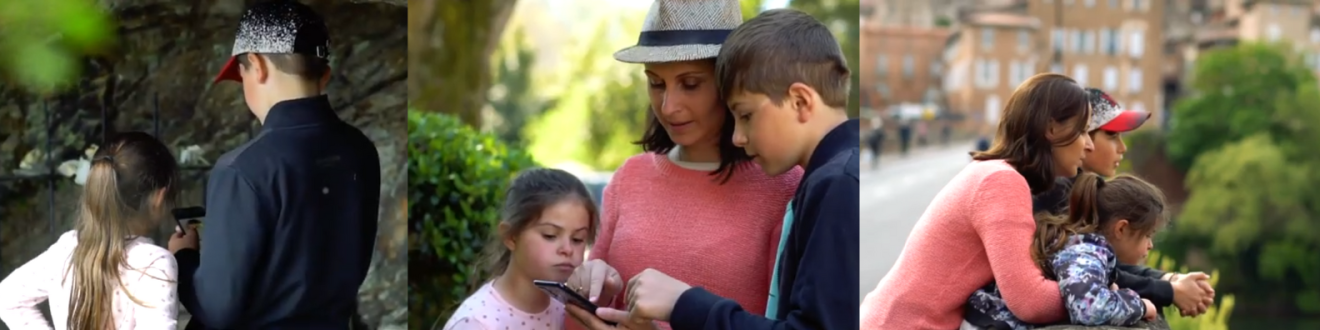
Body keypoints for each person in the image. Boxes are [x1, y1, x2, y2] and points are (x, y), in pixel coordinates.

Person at [574, 8, 859, 330]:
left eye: (691, 84)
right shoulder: (629, 177)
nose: (668, 106)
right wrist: (593, 286)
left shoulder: (794, 182)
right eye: (655, 83)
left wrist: (684, 305)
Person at [168, 1, 382, 328]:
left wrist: (183, 258)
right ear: (323, 75)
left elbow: (217, 310)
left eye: (240, 74)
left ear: (257, 65)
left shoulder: (242, 170)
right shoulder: (362, 151)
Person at [860, 73, 1094, 329]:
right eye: (1082, 131)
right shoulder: (1001, 181)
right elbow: (1030, 301)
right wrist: (1106, 298)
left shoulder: (992, 172)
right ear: (1051, 129)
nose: (1089, 145)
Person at [1032, 87, 1215, 317]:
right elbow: (1088, 274)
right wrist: (1167, 290)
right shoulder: (1050, 195)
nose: (1123, 147)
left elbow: (1102, 266)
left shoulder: (1081, 190)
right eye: (1112, 135)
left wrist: (1167, 280)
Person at [0, 132, 180, 329]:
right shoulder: (155, 263)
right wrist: (183, 256)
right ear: (159, 197)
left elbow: (7, 298)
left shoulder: (67, 248)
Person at [964, 173, 1170, 328]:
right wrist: (1139, 305)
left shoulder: (1083, 247)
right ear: (1121, 228)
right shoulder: (1085, 252)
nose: (1150, 245)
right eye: (1147, 235)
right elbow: (1089, 308)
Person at [443, 168, 600, 330]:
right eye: (550, 235)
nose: (567, 249)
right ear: (511, 237)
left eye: (578, 239)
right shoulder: (477, 322)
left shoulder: (570, 311)